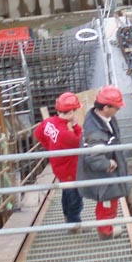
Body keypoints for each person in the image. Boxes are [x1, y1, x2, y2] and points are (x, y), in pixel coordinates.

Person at [77, 85, 129, 239]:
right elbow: (94, 157)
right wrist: (108, 164)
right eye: (116, 108)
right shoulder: (96, 131)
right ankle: (106, 232)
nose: (118, 110)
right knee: (107, 201)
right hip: (104, 174)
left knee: (109, 201)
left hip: (107, 172)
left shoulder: (102, 118)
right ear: (106, 107)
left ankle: (108, 227)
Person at [33, 92, 84, 233]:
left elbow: (37, 133)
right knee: (75, 197)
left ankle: (69, 221)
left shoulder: (49, 122)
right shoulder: (66, 134)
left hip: (59, 167)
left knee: (67, 193)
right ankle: (74, 225)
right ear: (71, 112)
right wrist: (75, 126)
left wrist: (50, 147)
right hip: (69, 170)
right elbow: (80, 141)